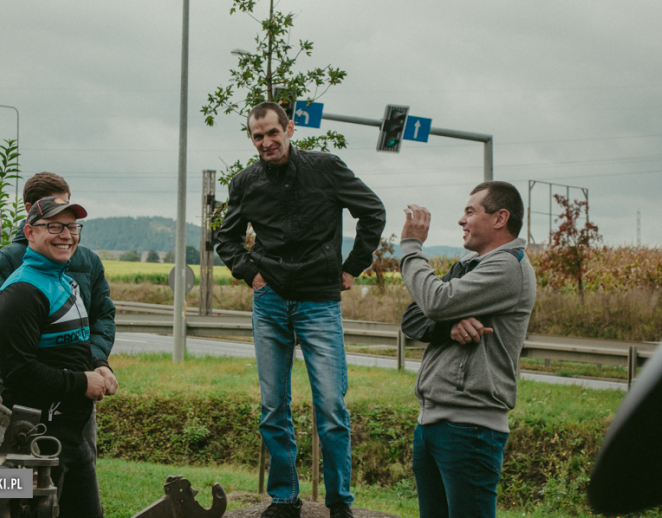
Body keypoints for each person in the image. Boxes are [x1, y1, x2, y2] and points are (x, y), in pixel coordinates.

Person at [216, 102, 386, 518]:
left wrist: (351, 267)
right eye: (258, 137)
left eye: (273, 133)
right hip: (270, 301)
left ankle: (339, 501)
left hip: (319, 302)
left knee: (331, 406)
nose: (267, 142)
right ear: (251, 139)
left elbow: (373, 211)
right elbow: (227, 237)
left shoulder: (326, 168)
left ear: (289, 128)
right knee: (273, 407)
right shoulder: (245, 182)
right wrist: (249, 273)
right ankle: (285, 497)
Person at [398, 181, 536, 518]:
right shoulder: (469, 265)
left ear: (500, 218)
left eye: (470, 211)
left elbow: (434, 299)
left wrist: (411, 246)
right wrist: (448, 323)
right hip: (433, 422)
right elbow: (414, 315)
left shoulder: (507, 266)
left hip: (470, 427)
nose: (462, 220)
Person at [0, 196, 116, 518]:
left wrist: (98, 365)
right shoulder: (22, 292)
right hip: (39, 437)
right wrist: (81, 383)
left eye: (72, 226)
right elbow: (17, 371)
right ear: (30, 232)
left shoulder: (65, 281)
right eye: (54, 226)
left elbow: (74, 345)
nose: (66, 235)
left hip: (71, 436)